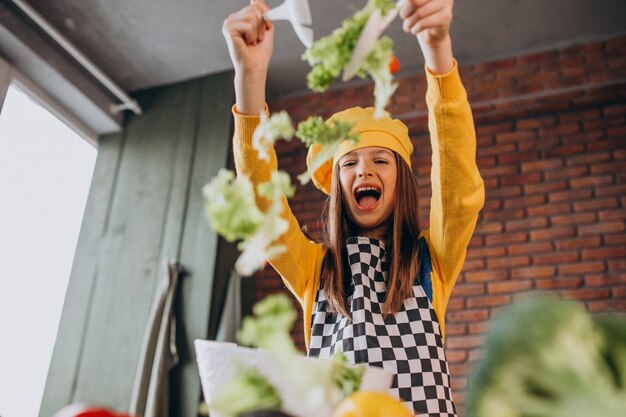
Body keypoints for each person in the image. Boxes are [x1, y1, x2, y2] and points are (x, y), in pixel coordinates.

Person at [222, 0, 485, 415]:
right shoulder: (314, 270)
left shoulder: (431, 260)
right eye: (349, 164)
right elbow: (260, 203)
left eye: (381, 160)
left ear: (400, 182)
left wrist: (437, 51)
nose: (365, 170)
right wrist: (249, 77)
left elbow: (457, 185)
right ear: (337, 187)